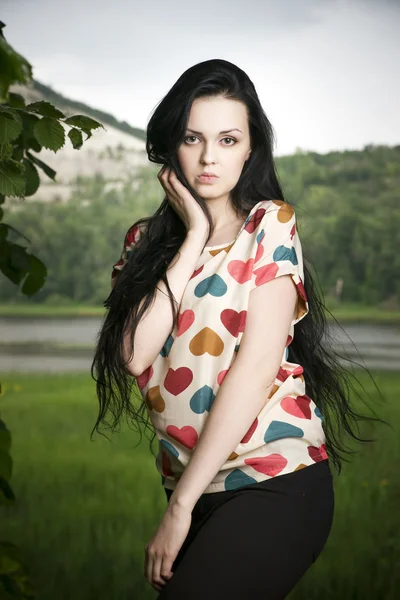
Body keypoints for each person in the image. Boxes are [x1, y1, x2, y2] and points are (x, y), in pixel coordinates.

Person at [91, 59, 388, 599]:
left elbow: (254, 372)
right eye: (193, 138)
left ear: (250, 148)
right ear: (171, 147)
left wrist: (180, 507)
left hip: (276, 480)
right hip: (194, 491)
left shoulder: (269, 224)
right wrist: (193, 238)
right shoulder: (143, 243)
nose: (208, 157)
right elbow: (133, 354)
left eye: (227, 139)